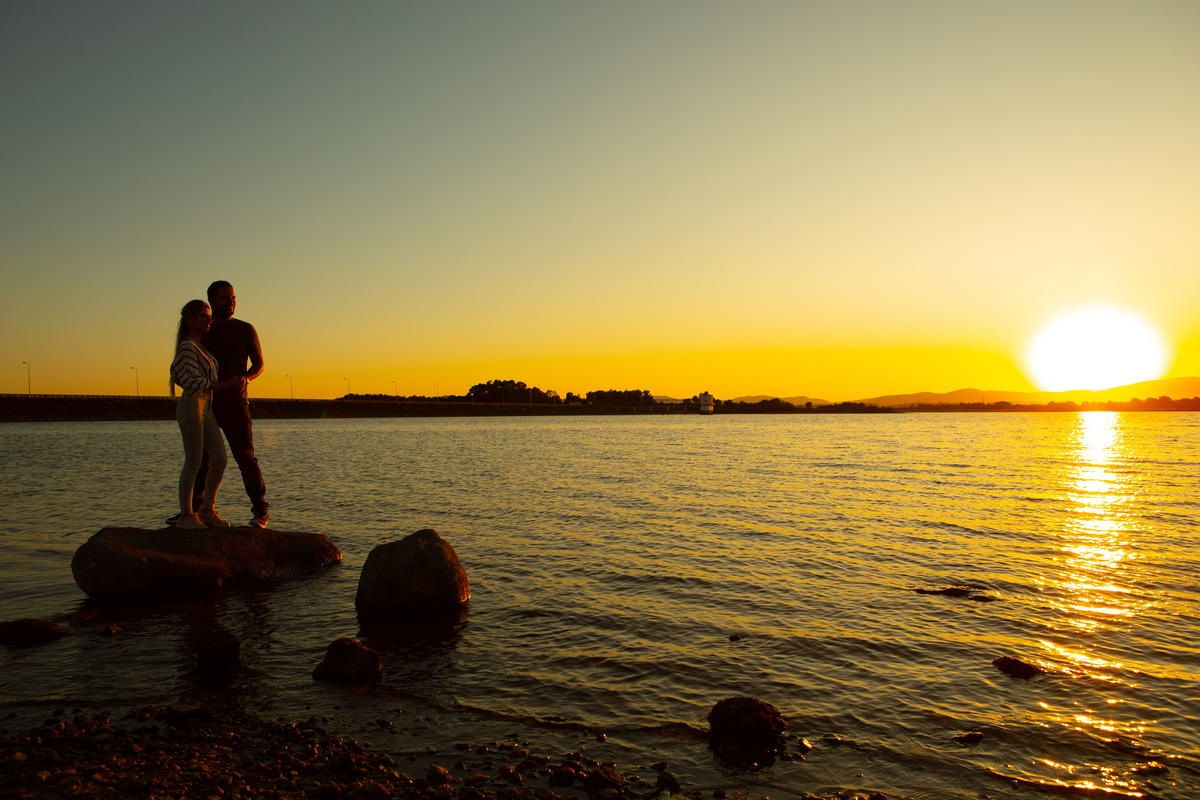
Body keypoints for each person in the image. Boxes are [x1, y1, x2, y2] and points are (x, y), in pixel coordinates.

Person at [193, 280, 270, 528]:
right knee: (201, 458)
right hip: (205, 404)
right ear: (212, 300)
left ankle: (260, 512)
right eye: (226, 297)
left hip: (236, 404)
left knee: (245, 457)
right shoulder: (203, 330)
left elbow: (259, 364)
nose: (231, 301)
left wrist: (247, 377)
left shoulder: (245, 329)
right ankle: (195, 511)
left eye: (233, 297)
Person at [170, 300, 230, 530]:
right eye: (204, 316)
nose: (209, 320)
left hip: (206, 406)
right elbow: (189, 381)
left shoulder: (199, 346)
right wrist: (224, 385)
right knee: (194, 460)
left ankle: (206, 509)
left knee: (220, 459)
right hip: (193, 404)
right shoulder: (187, 347)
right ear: (190, 319)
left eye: (208, 316)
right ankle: (186, 515)